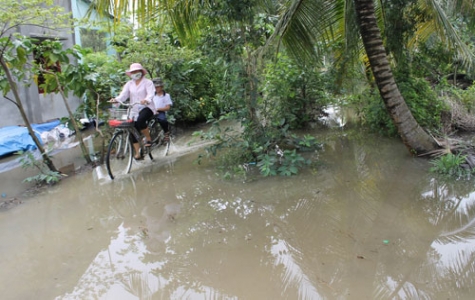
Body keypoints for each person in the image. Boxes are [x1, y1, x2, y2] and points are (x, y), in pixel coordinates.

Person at [110, 63, 156, 160]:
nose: (135, 73)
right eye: (133, 72)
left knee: (140, 120)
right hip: (133, 108)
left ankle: (148, 138)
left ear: (141, 72)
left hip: (146, 107)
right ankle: (138, 153)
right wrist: (116, 100)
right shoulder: (129, 84)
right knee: (131, 129)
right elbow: (123, 95)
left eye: (136, 71)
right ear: (130, 74)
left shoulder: (148, 82)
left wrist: (146, 100)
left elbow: (151, 94)